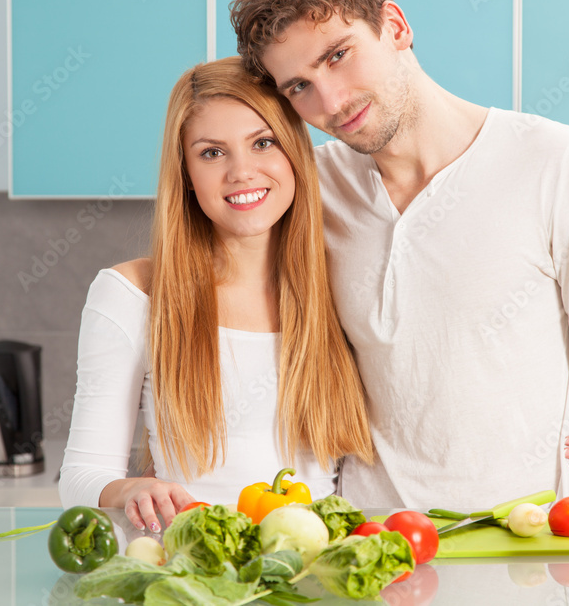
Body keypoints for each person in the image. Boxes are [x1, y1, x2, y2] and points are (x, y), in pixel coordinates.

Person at [230, 0, 569, 509]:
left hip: (522, 564)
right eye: (299, 87)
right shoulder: (313, 187)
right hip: (367, 556)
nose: (331, 101)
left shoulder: (558, 162)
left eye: (339, 55)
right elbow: (215, 278)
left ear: (394, 26)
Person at [58, 57, 374, 532]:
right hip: (194, 569)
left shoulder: (340, 286)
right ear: (185, 172)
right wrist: (130, 489)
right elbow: (80, 478)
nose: (241, 172)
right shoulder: (132, 295)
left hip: (314, 572)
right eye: (211, 153)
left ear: (294, 154)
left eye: (263, 143)